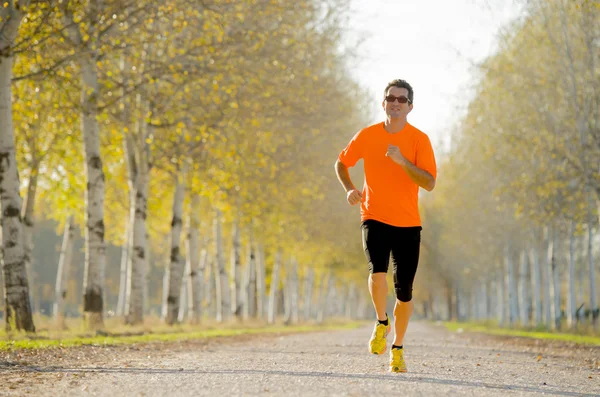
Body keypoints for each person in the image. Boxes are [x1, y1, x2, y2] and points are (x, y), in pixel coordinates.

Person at [334, 79, 437, 373]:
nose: (395, 102)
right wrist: (350, 188)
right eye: (390, 98)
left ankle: (398, 347)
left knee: (404, 291)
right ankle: (381, 321)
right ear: (383, 103)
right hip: (373, 215)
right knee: (377, 273)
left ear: (410, 107)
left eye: (401, 100)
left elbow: (429, 183)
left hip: (407, 223)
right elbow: (341, 163)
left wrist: (403, 161)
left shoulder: (419, 140)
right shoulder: (367, 135)